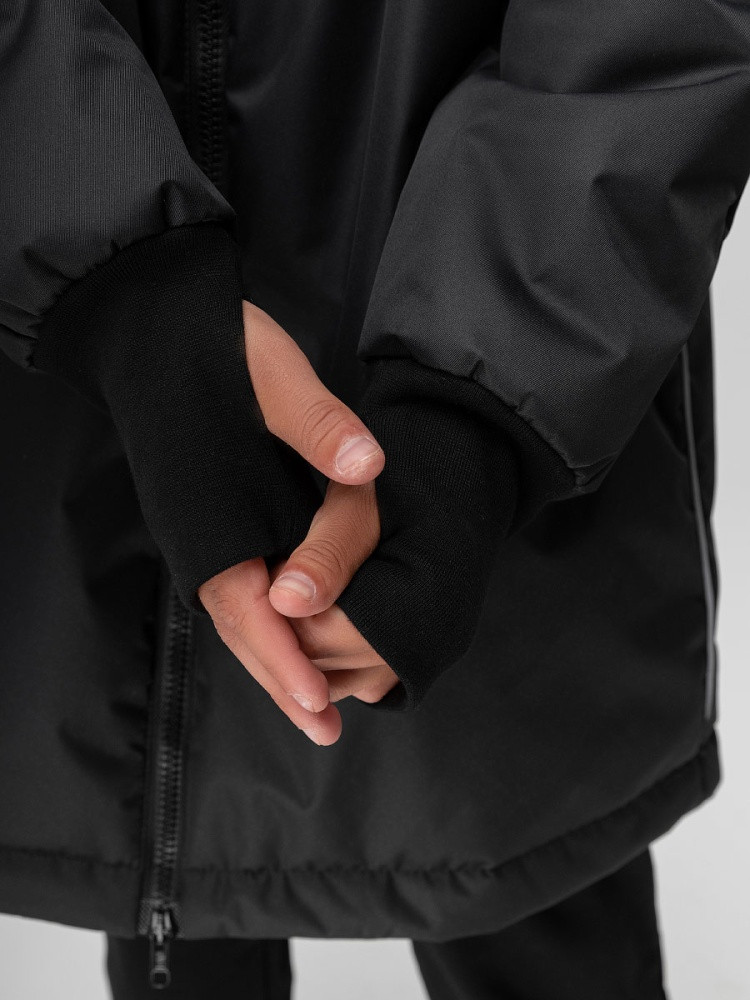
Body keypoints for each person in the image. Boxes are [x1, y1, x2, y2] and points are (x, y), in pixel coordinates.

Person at [0, 0, 745, 995]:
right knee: (185, 901)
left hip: (519, 418)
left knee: (528, 865)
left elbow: (647, 31)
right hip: (96, 423)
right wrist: (121, 294)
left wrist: (472, 422)